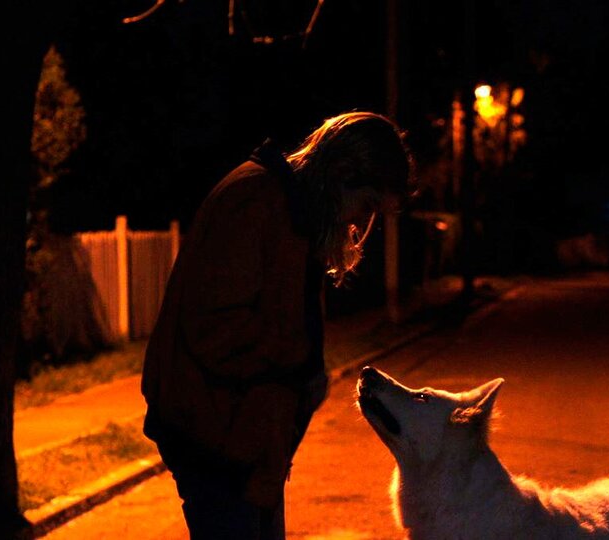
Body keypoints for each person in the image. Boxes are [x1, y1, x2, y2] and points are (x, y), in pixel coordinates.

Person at [141, 112, 413, 539]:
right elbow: (215, 329)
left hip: (244, 438)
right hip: (216, 435)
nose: (358, 224)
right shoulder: (256, 202)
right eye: (366, 205)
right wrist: (297, 362)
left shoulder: (290, 214)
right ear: (341, 172)